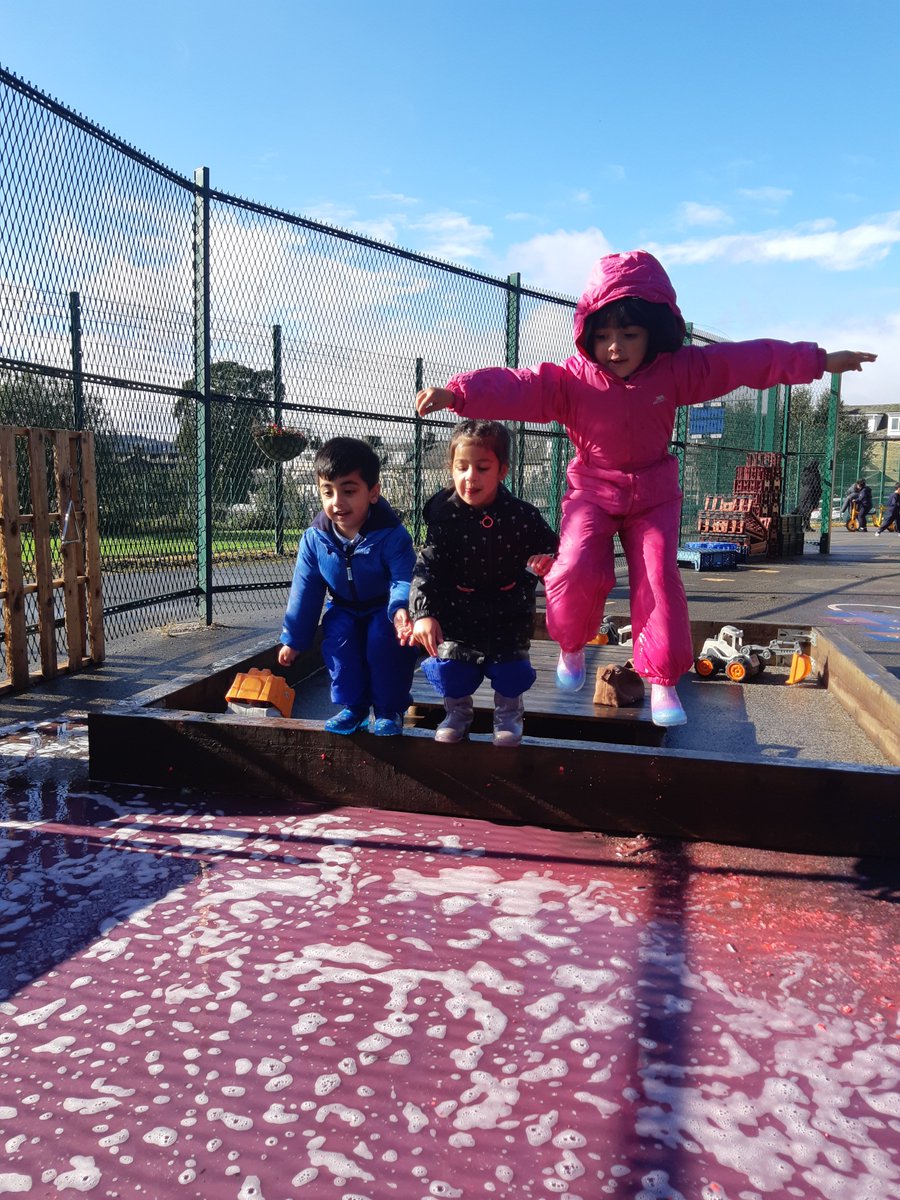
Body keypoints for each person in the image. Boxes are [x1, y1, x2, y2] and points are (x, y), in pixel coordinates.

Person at [415, 249, 876, 728]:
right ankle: (572, 645)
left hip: (653, 494)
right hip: (593, 489)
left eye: (629, 335)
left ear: (653, 333)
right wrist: (458, 393)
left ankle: (662, 682)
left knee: (657, 577)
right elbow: (519, 386)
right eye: (603, 336)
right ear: (588, 336)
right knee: (574, 565)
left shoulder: (676, 370)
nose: (615, 347)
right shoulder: (572, 381)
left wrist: (818, 360)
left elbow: (742, 362)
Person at [402, 419, 558, 747]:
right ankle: (457, 713)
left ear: (502, 471)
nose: (470, 477)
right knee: (452, 668)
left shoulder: (521, 516)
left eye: (482, 468)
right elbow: (426, 567)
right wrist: (423, 613)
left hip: (508, 611)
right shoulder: (445, 517)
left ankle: (509, 714)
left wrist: (548, 561)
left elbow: (556, 548)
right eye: (462, 467)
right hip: (458, 611)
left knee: (511, 670)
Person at [278, 437, 419, 736]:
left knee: (384, 642)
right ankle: (354, 708)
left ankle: (388, 710)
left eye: (349, 491)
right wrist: (294, 639)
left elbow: (403, 577)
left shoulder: (392, 535)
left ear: (373, 492)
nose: (337, 502)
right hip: (343, 606)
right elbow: (306, 589)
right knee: (339, 641)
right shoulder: (315, 539)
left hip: (384, 608)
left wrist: (400, 609)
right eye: (327, 491)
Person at [796, 460, 822, 531]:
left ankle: (803, 525)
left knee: (803, 508)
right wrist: (819, 492)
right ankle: (806, 526)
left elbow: (802, 482)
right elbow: (816, 484)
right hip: (811, 493)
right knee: (808, 509)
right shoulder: (815, 473)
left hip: (803, 492)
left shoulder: (805, 473)